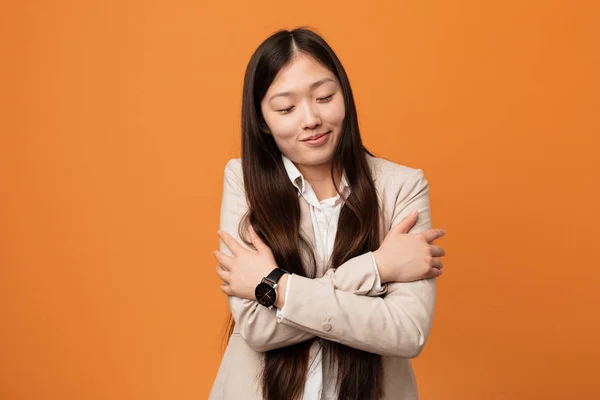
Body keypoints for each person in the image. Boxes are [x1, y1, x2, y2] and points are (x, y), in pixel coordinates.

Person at [209, 27, 447, 400]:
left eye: (324, 97)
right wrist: (376, 269)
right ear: (262, 121)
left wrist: (276, 288)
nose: (310, 119)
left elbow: (406, 331)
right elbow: (256, 326)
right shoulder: (242, 180)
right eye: (286, 108)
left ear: (345, 96)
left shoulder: (402, 186)